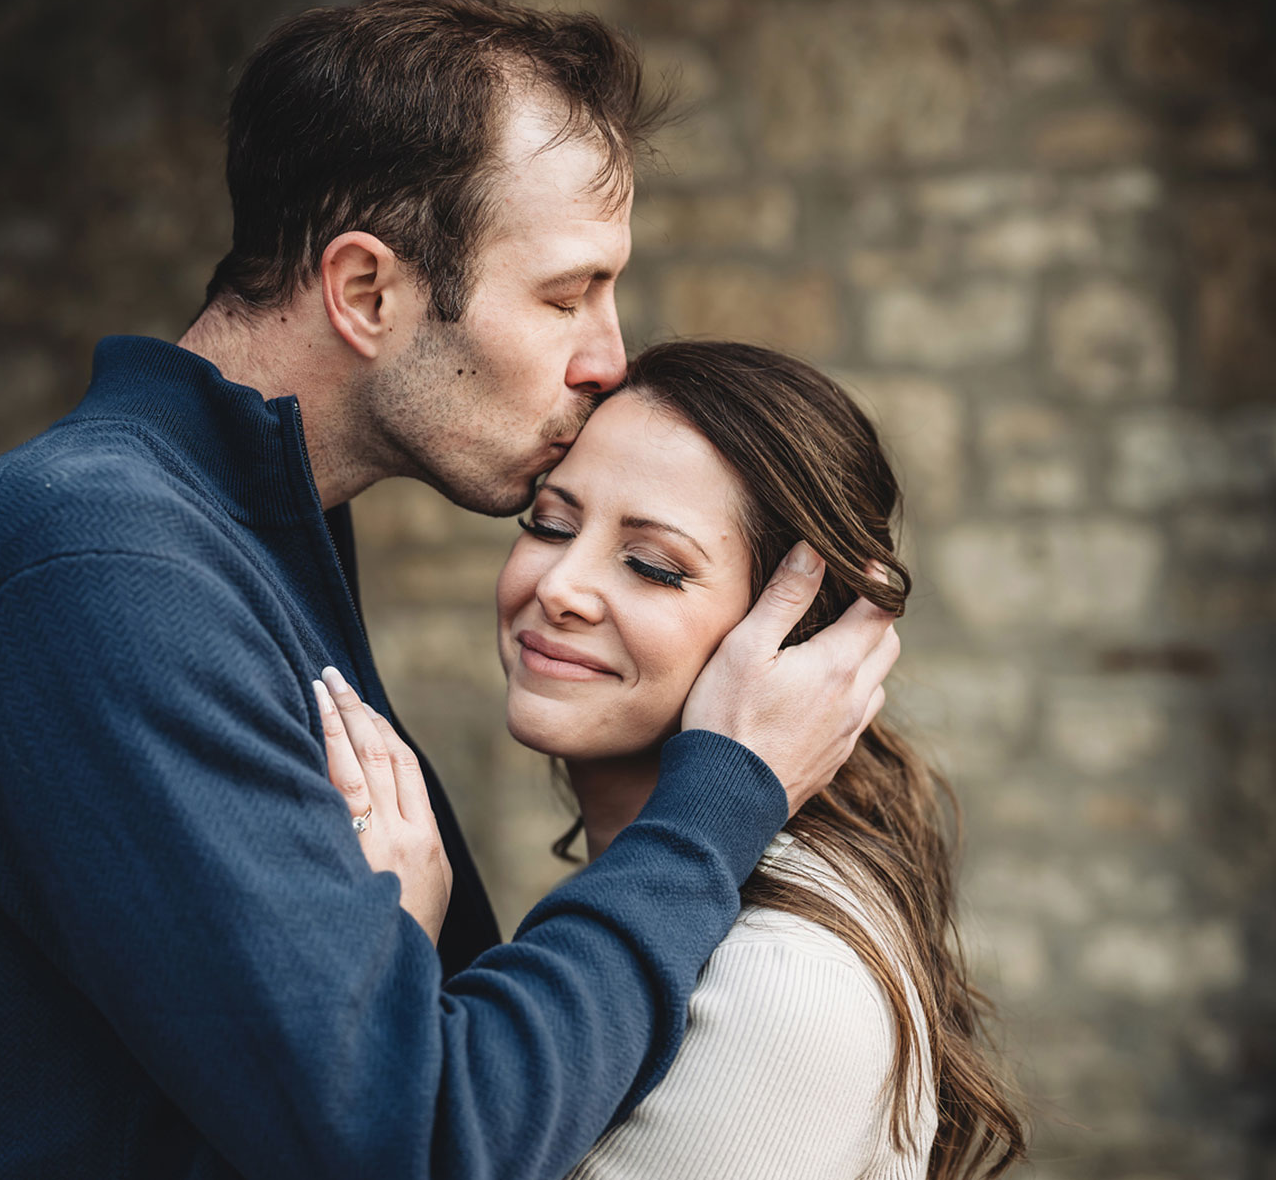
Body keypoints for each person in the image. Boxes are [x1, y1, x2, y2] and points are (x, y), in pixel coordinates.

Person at [0, 0, 898, 1178]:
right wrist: (712, 809)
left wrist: (390, 952)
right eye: (564, 294)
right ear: (367, 292)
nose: (606, 356)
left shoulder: (243, 540)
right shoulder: (96, 567)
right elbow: (409, 1140)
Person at [317, 340, 1027, 1180]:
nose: (561, 586)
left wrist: (387, 954)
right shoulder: (644, 890)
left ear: (793, 639)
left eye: (653, 567)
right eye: (550, 524)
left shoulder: (781, 979)